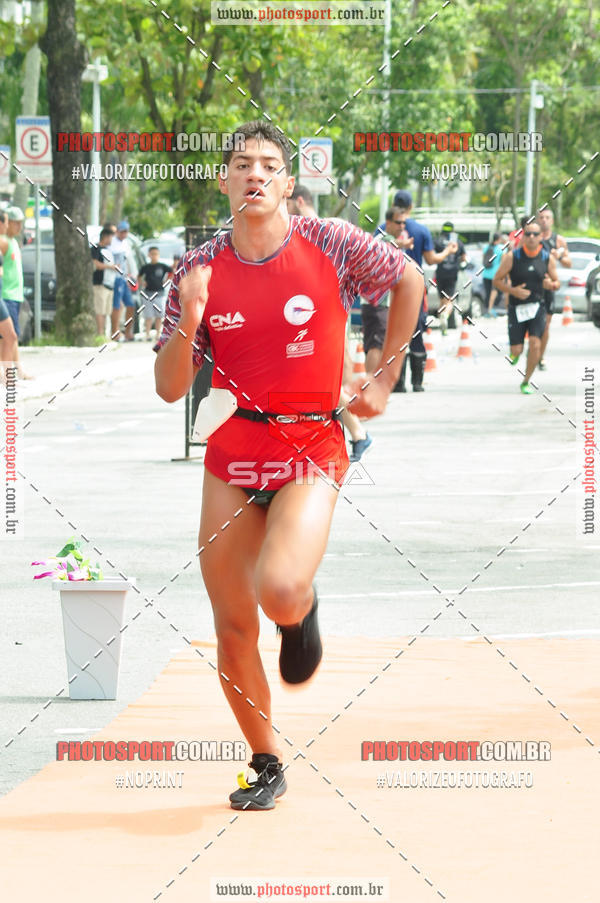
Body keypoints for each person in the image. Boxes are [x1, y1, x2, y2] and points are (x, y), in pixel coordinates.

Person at [154, 120, 423, 811]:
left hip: (311, 446)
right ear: (223, 180)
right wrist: (189, 316)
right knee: (232, 626)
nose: (255, 174)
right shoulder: (196, 269)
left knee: (278, 589)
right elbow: (169, 388)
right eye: (241, 163)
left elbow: (410, 280)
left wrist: (385, 377)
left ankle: (299, 612)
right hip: (233, 454)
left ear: (287, 182)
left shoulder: (330, 242)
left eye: (269, 165)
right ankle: (265, 760)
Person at [286, 183, 374, 463]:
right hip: (313, 316)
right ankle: (353, 433)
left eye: (286, 202)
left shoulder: (324, 231)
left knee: (323, 382)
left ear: (299, 201)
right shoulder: (305, 232)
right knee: (318, 382)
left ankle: (357, 433)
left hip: (322, 316)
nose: (282, 209)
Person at [392, 190, 458, 391]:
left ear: (394, 205)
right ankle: (417, 382)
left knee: (395, 333)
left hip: (391, 288)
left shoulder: (385, 228)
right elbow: (431, 259)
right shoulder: (421, 230)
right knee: (416, 330)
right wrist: (448, 251)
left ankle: (398, 383)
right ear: (411, 207)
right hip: (414, 287)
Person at [492, 221, 559, 394]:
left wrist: (551, 285)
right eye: (528, 234)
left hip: (537, 307)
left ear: (540, 237)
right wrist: (513, 290)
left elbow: (557, 282)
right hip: (517, 308)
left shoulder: (546, 258)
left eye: (535, 234)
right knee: (517, 350)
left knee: (535, 344)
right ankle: (515, 353)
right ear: (523, 236)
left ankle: (526, 381)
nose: (531, 237)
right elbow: (496, 280)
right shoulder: (512, 257)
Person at [537, 208, 571, 370]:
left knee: (545, 325)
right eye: (541, 217)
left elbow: (568, 263)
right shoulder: (531, 237)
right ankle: (532, 348)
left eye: (547, 217)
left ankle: (540, 356)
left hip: (548, 286)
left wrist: (559, 256)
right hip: (532, 286)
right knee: (530, 324)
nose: (544, 220)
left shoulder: (558, 240)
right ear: (537, 220)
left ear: (552, 221)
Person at [0, 206, 29, 380]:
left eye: (20, 223)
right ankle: (10, 373)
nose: (18, 226)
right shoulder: (3, 241)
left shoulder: (14, 242)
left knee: (12, 335)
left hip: (16, 295)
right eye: (14, 223)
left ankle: (16, 371)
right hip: (6, 295)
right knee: (10, 335)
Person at [433, 221, 466, 333]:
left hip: (440, 272)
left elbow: (432, 254)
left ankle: (442, 321)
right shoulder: (457, 242)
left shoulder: (437, 240)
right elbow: (464, 258)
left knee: (442, 299)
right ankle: (445, 316)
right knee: (449, 300)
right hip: (452, 273)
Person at [110, 220, 136, 341]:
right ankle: (115, 332)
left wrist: (132, 276)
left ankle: (128, 332)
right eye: (122, 232)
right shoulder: (112, 243)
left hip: (125, 278)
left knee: (130, 305)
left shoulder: (126, 244)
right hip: (116, 278)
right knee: (117, 305)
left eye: (126, 232)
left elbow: (129, 261)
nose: (124, 234)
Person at [139, 247, 172, 342]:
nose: (154, 256)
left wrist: (166, 281)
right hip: (148, 293)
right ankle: (147, 334)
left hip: (159, 293)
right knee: (148, 315)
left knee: (159, 315)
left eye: (156, 254)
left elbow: (171, 272)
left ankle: (158, 334)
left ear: (158, 255)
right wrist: (142, 283)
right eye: (152, 254)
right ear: (149, 255)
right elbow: (139, 276)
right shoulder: (146, 267)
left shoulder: (162, 266)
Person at [91, 227, 118, 336]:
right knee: (100, 310)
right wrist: (110, 267)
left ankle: (105, 333)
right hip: (100, 284)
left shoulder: (109, 250)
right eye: (111, 237)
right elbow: (95, 264)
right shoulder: (96, 249)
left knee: (107, 311)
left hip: (110, 284)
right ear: (106, 237)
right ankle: (100, 333)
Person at [481, 233, 505, 316]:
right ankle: (490, 310)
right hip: (495, 274)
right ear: (499, 239)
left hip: (485, 274)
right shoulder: (501, 248)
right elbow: (503, 262)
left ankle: (486, 310)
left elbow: (483, 260)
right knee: (494, 292)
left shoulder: (486, 247)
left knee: (487, 293)